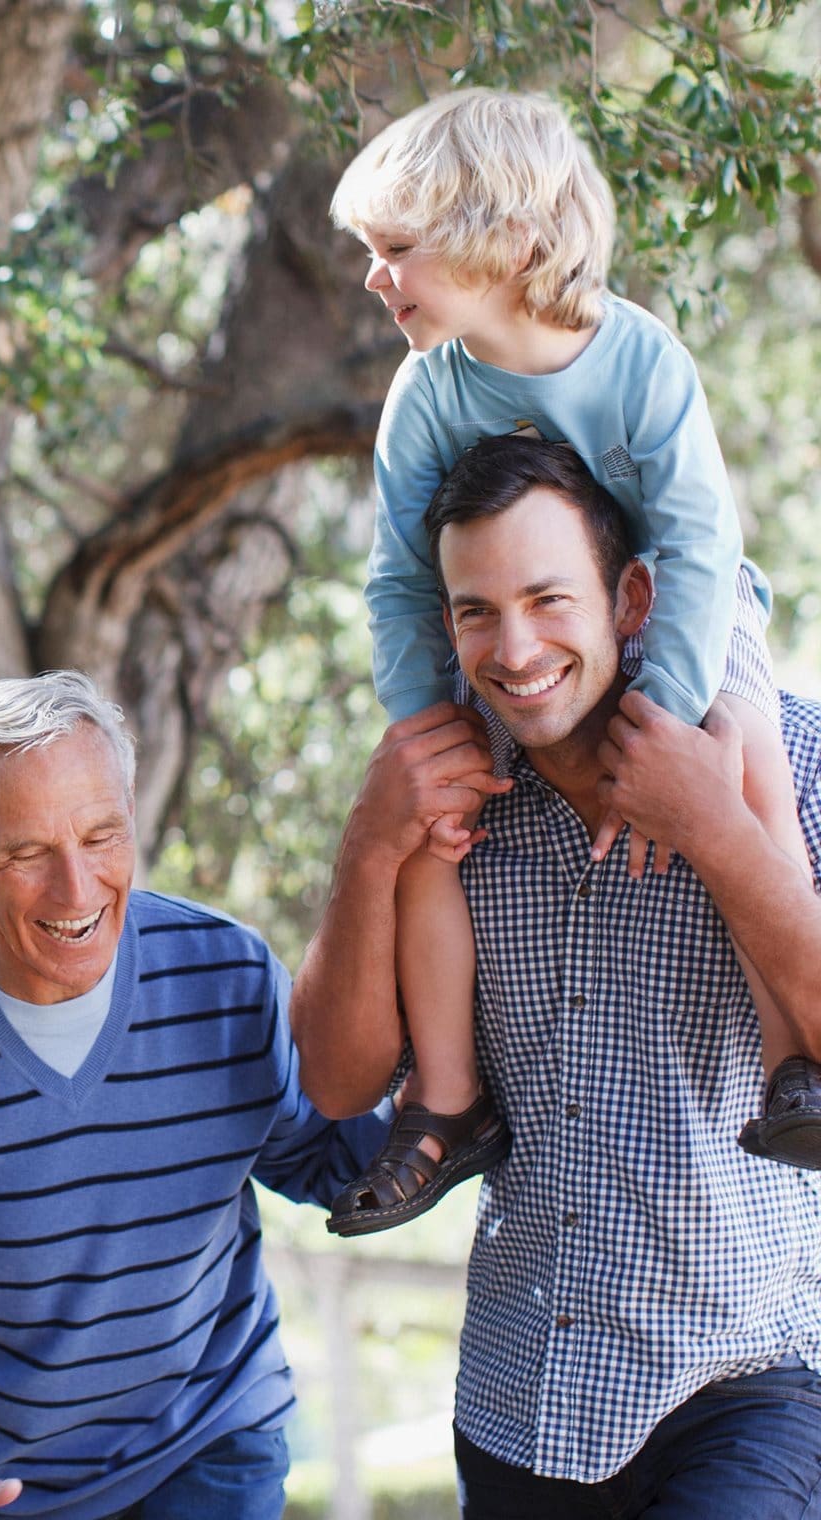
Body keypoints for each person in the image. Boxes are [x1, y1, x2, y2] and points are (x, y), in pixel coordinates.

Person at [292, 435, 821, 1515]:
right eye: (476, 609)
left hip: (747, 1379)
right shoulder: (441, 799)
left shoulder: (785, 764)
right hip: (520, 1394)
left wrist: (716, 831)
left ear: (631, 597)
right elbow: (339, 1083)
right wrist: (369, 840)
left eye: (548, 597)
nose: (515, 646)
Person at [323, 88, 821, 1234]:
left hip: (684, 614)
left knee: (748, 760)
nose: (374, 275)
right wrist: (420, 726)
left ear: (505, 240)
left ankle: (796, 1062)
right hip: (522, 623)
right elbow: (402, 575)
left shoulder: (641, 365)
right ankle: (446, 1099)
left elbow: (698, 548)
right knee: (431, 822)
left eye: (397, 249)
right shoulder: (430, 393)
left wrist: (668, 714)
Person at [0, 671, 392, 1520]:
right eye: (25, 854)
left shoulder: (225, 973)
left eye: (101, 837)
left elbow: (324, 1162)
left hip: (207, 1441)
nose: (78, 891)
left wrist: (437, 1067)